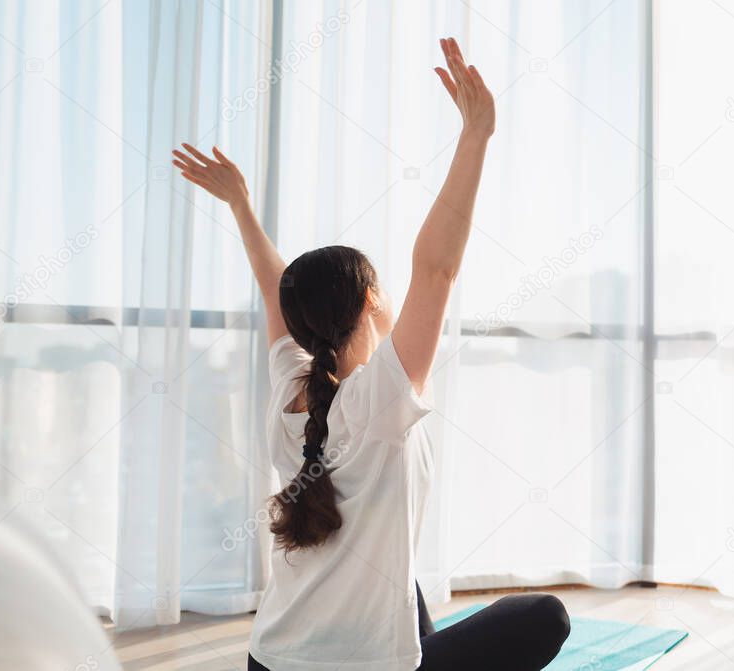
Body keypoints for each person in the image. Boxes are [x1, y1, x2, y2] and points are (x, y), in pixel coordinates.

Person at [172, 37, 569, 671]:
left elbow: (274, 289)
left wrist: (242, 205)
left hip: (267, 658)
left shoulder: (289, 389)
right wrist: (477, 137)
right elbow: (436, 269)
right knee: (546, 617)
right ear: (371, 303)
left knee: (399, 578)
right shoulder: (380, 398)